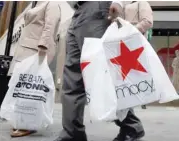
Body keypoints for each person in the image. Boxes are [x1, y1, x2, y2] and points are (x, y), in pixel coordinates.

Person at [54, 1, 145, 141]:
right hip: (78, 12)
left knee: (102, 73)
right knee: (72, 77)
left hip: (97, 8)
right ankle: (72, 133)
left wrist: (118, 2)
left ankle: (131, 126)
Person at [6, 1, 61, 137]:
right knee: (22, 87)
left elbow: (50, 25)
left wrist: (43, 46)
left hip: (36, 49)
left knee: (30, 88)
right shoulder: (37, 3)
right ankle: (22, 120)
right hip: (26, 48)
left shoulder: (51, 3)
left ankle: (28, 123)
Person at [123, 1, 153, 109]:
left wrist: (132, 30)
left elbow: (148, 21)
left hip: (135, 43)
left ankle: (143, 97)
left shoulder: (142, 3)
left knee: (136, 72)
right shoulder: (122, 3)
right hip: (122, 43)